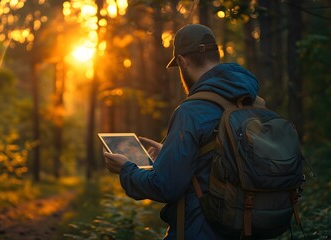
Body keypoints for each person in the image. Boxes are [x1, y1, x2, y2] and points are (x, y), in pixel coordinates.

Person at [103, 23, 260, 239]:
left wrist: (125, 169)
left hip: (200, 230)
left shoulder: (191, 111)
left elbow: (165, 187)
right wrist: (170, 152)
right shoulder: (252, 101)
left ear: (183, 61)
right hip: (246, 226)